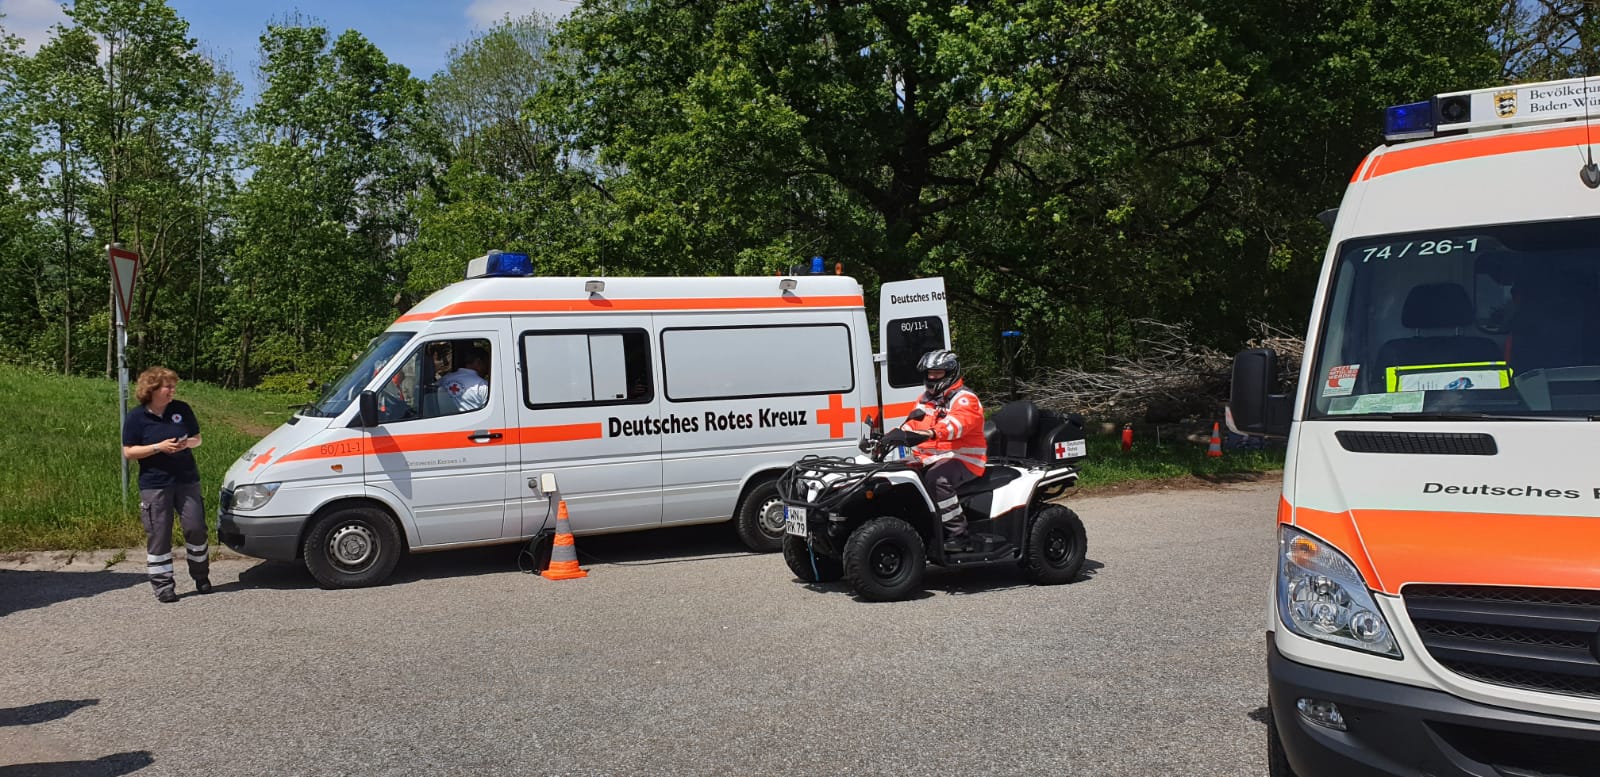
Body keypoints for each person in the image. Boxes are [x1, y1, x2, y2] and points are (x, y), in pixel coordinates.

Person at [881, 349, 987, 552]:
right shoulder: (925, 399)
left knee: (937, 480)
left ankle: (959, 535)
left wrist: (931, 433)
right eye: (929, 373)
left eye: (937, 373)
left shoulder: (965, 399)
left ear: (950, 373)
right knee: (899, 476)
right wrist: (891, 437)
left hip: (964, 458)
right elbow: (913, 424)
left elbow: (957, 425)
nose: (931, 378)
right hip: (932, 458)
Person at [120, 367, 209, 603]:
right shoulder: (136, 417)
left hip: (186, 479)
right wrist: (158, 447)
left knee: (196, 527)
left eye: (173, 386)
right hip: (155, 484)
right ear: (152, 389)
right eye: (167, 386)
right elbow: (128, 452)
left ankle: (201, 576)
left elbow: (197, 439)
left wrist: (185, 444)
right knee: (159, 534)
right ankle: (163, 586)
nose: (172, 391)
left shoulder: (181, 409)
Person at [438, 346, 490, 412]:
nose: (487, 367)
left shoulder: (445, 378)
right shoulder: (482, 386)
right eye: (486, 363)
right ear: (478, 362)